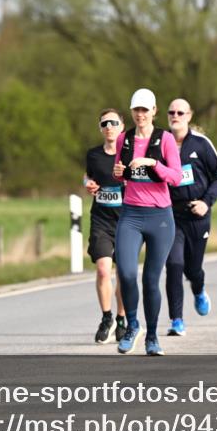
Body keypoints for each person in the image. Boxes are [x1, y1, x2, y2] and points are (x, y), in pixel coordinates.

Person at [112, 88, 183, 356]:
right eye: (136, 110)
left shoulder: (164, 139)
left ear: (154, 111)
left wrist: (153, 162)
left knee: (151, 279)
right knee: (127, 273)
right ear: (131, 112)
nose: (140, 115)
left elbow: (175, 177)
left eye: (145, 110)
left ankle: (153, 337)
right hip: (131, 214)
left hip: (160, 217)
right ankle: (132, 326)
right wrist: (118, 173)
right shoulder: (124, 139)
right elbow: (121, 174)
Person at [165, 98, 217, 336]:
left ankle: (199, 290)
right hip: (171, 214)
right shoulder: (160, 144)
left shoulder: (201, 144)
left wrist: (206, 202)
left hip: (198, 213)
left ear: (189, 116)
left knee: (193, 268)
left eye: (180, 112)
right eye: (171, 112)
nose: (175, 116)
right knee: (173, 264)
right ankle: (176, 320)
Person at [84, 109, 127, 344]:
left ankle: (121, 318)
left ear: (122, 126)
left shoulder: (129, 154)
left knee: (123, 274)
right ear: (100, 128)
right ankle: (107, 317)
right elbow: (87, 176)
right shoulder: (93, 155)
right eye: (104, 123)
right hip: (101, 219)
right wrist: (88, 183)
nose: (109, 126)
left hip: (126, 220)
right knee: (103, 269)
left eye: (113, 122)